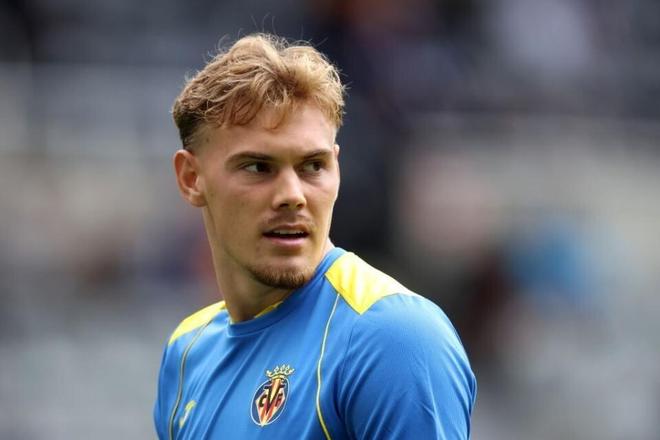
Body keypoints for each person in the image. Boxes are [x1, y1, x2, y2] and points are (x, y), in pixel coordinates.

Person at [154, 33, 476, 439]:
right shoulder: (187, 353)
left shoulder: (393, 337)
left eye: (312, 166)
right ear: (191, 178)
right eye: (258, 167)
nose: (292, 195)